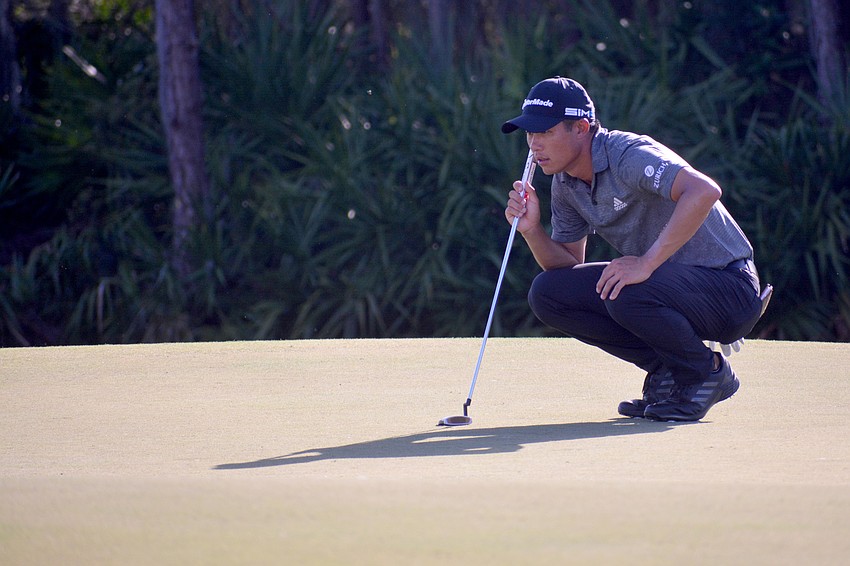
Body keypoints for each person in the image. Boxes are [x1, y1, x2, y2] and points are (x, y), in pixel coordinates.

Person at [501, 77, 764, 421]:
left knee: (624, 288)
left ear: (580, 128)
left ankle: (706, 372)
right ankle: (668, 372)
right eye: (529, 134)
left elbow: (704, 190)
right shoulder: (564, 183)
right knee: (549, 293)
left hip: (730, 288)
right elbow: (567, 264)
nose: (534, 144)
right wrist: (532, 230)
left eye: (545, 132)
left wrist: (646, 263)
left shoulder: (627, 154)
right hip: (669, 289)